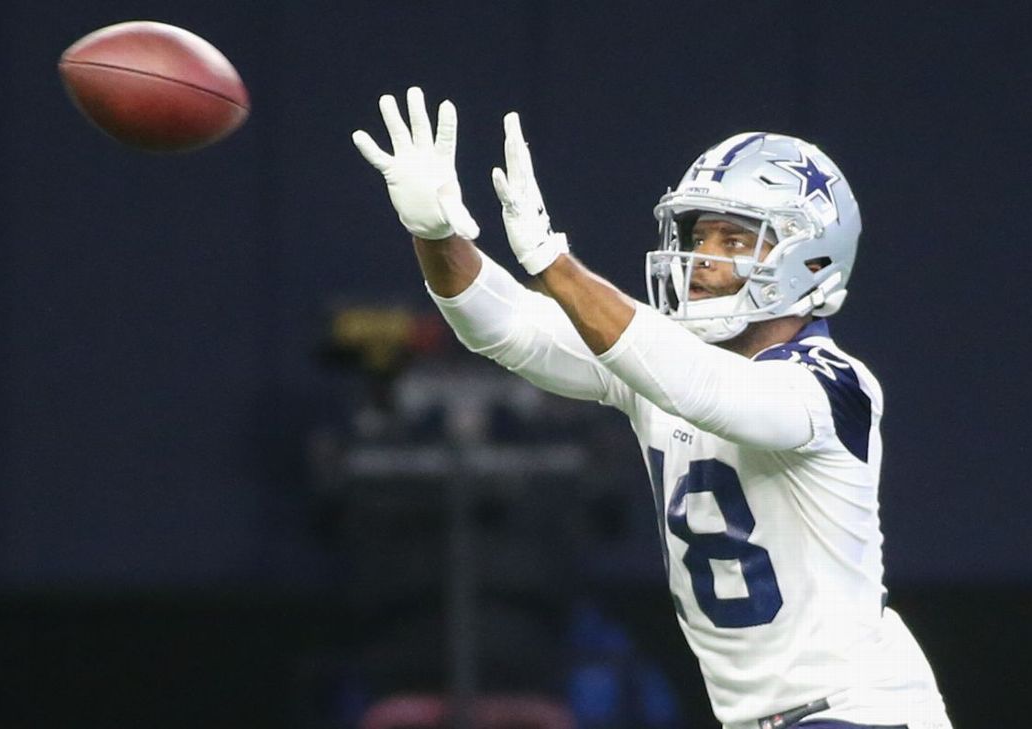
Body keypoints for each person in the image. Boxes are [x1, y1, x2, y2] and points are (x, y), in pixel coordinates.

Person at [352, 87, 952, 729]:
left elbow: (706, 391)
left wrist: (554, 263)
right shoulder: (659, 365)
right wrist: (435, 233)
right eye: (699, 233)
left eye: (734, 239)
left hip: (861, 711)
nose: (702, 258)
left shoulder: (831, 385)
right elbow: (501, 326)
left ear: (810, 256)